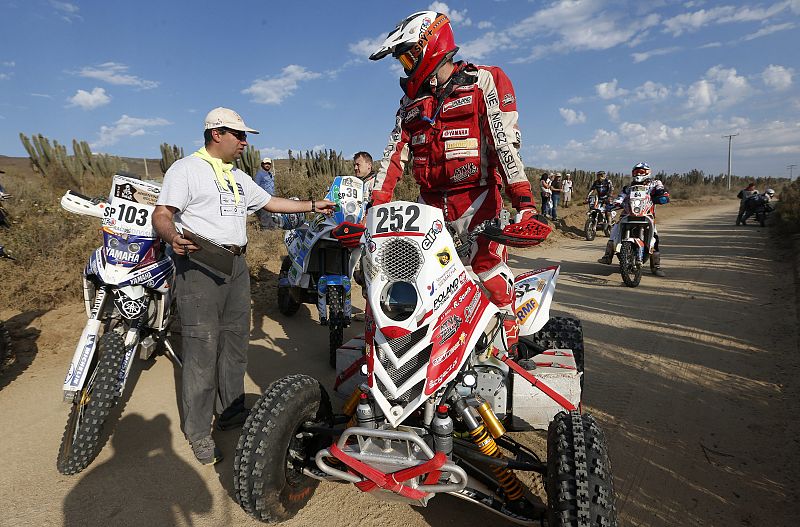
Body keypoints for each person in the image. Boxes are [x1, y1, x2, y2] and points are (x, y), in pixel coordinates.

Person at [152, 107, 335, 465]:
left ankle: (232, 411)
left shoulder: (237, 176)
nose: (244, 142)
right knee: (203, 351)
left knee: (235, 345)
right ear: (216, 134)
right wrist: (172, 236)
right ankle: (199, 431)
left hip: (235, 265)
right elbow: (162, 212)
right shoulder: (186, 169)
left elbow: (270, 202)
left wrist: (313, 205)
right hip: (199, 264)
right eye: (239, 135)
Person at [368, 10, 539, 352]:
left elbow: (505, 144)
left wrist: (525, 203)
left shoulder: (482, 81)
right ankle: (431, 351)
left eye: (408, 55)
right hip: (430, 207)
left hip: (477, 201)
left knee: (487, 269)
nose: (404, 64)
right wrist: (374, 207)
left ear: (431, 45)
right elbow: (392, 157)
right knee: (424, 279)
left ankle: (510, 340)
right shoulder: (409, 104)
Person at [597, 162, 668, 277]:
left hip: (647, 214)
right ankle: (608, 255)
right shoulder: (628, 188)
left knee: (654, 238)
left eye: (641, 172)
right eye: (636, 172)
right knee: (615, 229)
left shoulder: (655, 183)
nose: (638, 174)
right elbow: (621, 197)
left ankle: (656, 266)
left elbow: (661, 190)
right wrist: (615, 203)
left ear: (647, 173)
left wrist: (662, 195)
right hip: (627, 214)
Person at [254, 157, 277, 229]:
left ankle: (272, 226)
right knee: (265, 213)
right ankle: (265, 228)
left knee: (271, 213)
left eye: (269, 164)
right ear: (262, 164)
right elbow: (256, 186)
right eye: (265, 164)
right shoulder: (259, 174)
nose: (267, 165)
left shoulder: (270, 174)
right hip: (264, 197)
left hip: (271, 197)